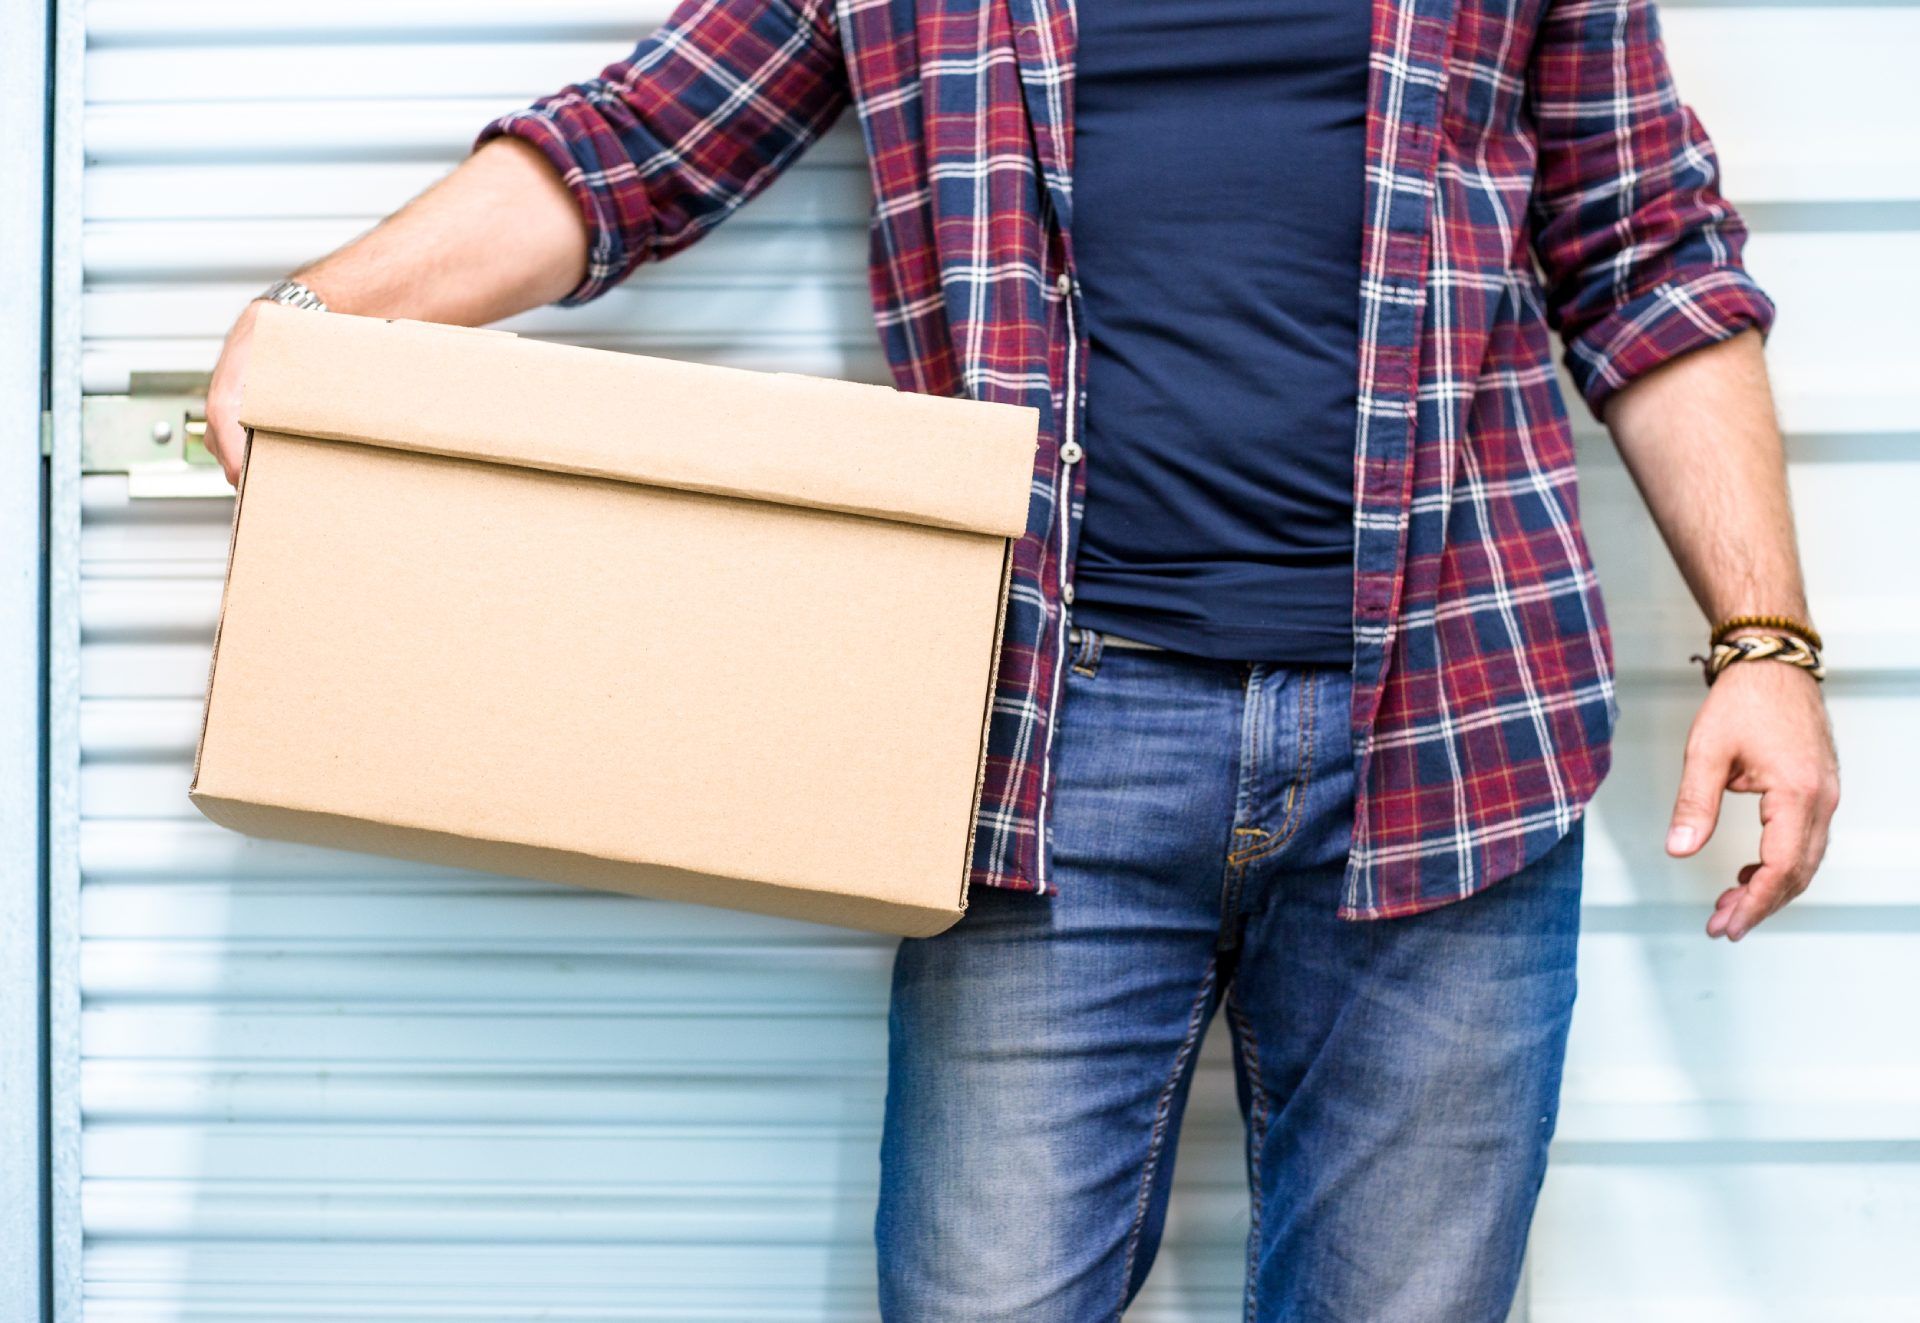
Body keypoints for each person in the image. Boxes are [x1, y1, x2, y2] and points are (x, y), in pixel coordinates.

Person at [202, 0, 1841, 1315]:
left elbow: (1649, 256)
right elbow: (637, 148)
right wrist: (315, 315)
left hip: (1457, 733)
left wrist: (1763, 640)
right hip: (1044, 746)